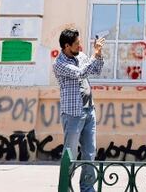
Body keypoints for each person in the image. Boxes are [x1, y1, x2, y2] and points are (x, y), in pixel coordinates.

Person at [54, 28, 105, 192]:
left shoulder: (81, 56)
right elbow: (82, 73)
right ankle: (65, 186)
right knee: (70, 154)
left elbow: (96, 70)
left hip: (89, 110)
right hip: (73, 114)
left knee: (90, 152)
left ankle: (87, 188)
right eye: (76, 43)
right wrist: (94, 54)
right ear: (67, 46)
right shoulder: (60, 64)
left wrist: (98, 54)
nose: (80, 45)